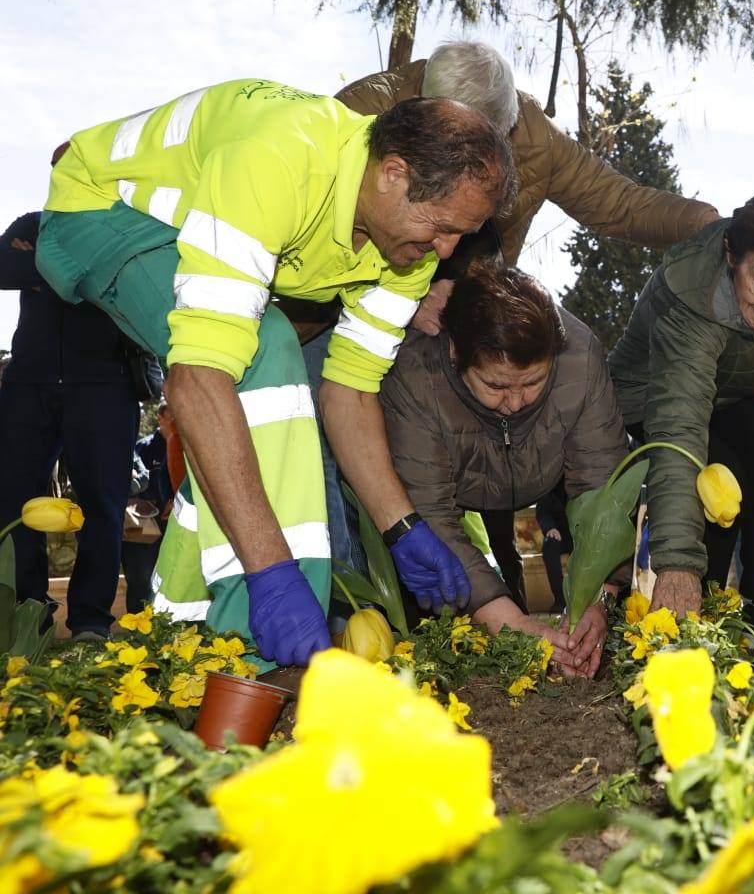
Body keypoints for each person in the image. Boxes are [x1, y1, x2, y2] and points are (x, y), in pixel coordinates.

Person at [37, 80, 515, 667]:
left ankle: (176, 636)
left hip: (191, 224)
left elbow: (350, 393)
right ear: (393, 173)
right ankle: (252, 652)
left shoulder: (407, 253)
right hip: (101, 210)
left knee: (266, 362)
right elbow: (196, 379)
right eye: (442, 226)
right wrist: (271, 570)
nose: (447, 251)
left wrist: (402, 525)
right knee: (262, 349)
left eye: (462, 235)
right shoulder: (279, 162)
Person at [318, 40, 721, 575]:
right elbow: (320, 235)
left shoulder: (534, 135)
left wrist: (714, 228)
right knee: (324, 434)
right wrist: (406, 291)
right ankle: (343, 604)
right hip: (341, 307)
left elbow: (618, 203)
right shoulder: (364, 111)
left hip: (468, 311)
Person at [380, 264, 629, 677]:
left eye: (533, 382)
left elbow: (602, 486)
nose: (515, 402)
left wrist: (598, 598)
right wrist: (508, 623)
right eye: (496, 386)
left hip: (533, 470)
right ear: (456, 351)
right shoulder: (415, 372)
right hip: (454, 479)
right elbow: (429, 511)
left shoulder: (579, 358)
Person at [609, 188, 754, 620]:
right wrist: (677, 562)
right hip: (651, 394)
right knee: (719, 483)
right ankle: (696, 608)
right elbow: (679, 427)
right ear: (733, 255)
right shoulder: (690, 306)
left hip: (727, 390)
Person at [0, 211, 140, 640]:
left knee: (103, 506)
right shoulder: (34, 222)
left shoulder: (123, 227)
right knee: (15, 504)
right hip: (28, 383)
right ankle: (28, 613)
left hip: (105, 383)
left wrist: (40, 266)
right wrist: (76, 275)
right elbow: (4, 269)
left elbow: (123, 284)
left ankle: (91, 621)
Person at [122, 401, 183, 614]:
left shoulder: (186, 445)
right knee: (140, 578)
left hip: (178, 521)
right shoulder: (143, 448)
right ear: (161, 418)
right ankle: (138, 626)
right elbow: (135, 484)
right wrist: (159, 503)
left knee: (175, 575)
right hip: (144, 526)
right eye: (172, 418)